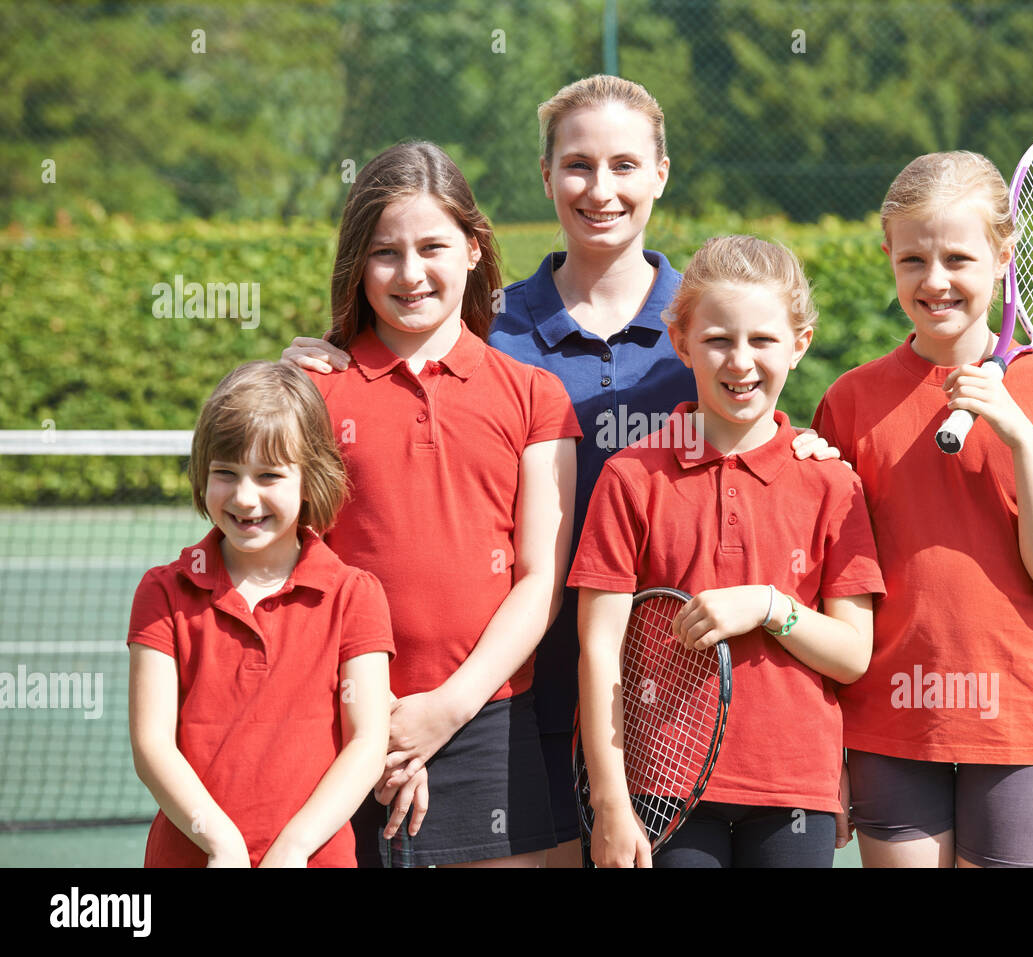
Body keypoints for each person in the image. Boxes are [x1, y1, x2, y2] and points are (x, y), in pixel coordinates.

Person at [285, 76, 836, 867]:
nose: (600, 189)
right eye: (578, 165)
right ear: (545, 177)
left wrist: (814, 444)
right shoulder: (491, 324)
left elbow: (767, 434)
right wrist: (300, 370)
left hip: (659, 712)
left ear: (661, 174)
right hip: (514, 698)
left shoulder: (712, 317)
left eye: (623, 165)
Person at [811, 151, 1033, 868]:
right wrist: (824, 741)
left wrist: (1018, 435)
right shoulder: (849, 401)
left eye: (958, 257)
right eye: (913, 259)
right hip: (888, 722)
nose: (935, 281)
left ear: (1002, 256)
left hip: (1013, 722)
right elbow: (831, 593)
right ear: (889, 257)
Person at [286, 140, 581, 867]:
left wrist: (442, 712)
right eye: (385, 252)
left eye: (433, 247)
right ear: (358, 263)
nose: (411, 273)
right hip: (337, 719)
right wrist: (380, 720)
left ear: (475, 249)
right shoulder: (311, 393)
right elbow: (285, 564)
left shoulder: (536, 396)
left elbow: (539, 578)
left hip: (488, 720)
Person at [569, 235, 883, 868]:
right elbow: (600, 648)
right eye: (717, 340)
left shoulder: (833, 484)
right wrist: (610, 801)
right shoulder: (632, 476)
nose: (740, 361)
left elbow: (853, 656)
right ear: (681, 342)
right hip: (662, 790)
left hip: (795, 791)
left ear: (800, 344)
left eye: (763, 340)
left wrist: (771, 606)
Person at [127, 361, 395, 867]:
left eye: (269, 475)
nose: (245, 497)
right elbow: (151, 743)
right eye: (225, 473)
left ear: (309, 479)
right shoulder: (163, 591)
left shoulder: (355, 595)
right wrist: (222, 846)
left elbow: (366, 741)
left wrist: (291, 851)